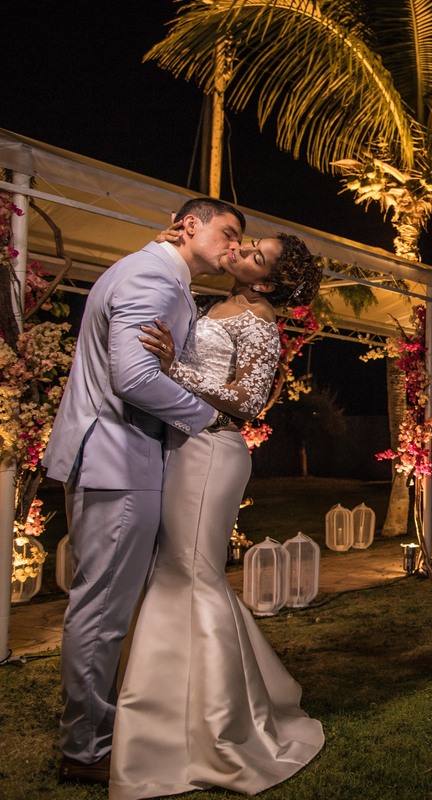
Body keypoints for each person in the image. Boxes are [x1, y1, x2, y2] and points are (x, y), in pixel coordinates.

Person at [108, 231, 326, 799]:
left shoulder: (258, 320)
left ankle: (217, 729)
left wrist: (171, 368)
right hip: (186, 446)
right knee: (184, 575)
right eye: (249, 242)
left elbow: (250, 398)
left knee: (192, 576)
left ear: (269, 282)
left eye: (256, 255)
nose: (243, 249)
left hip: (212, 452)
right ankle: (182, 715)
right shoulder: (220, 303)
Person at [43, 197, 244, 784]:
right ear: (189, 225)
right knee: (102, 608)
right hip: (115, 462)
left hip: (125, 460)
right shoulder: (150, 275)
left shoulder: (165, 277)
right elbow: (132, 378)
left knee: (113, 605)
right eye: (228, 232)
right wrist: (206, 418)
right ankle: (85, 749)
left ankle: (110, 727)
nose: (234, 246)